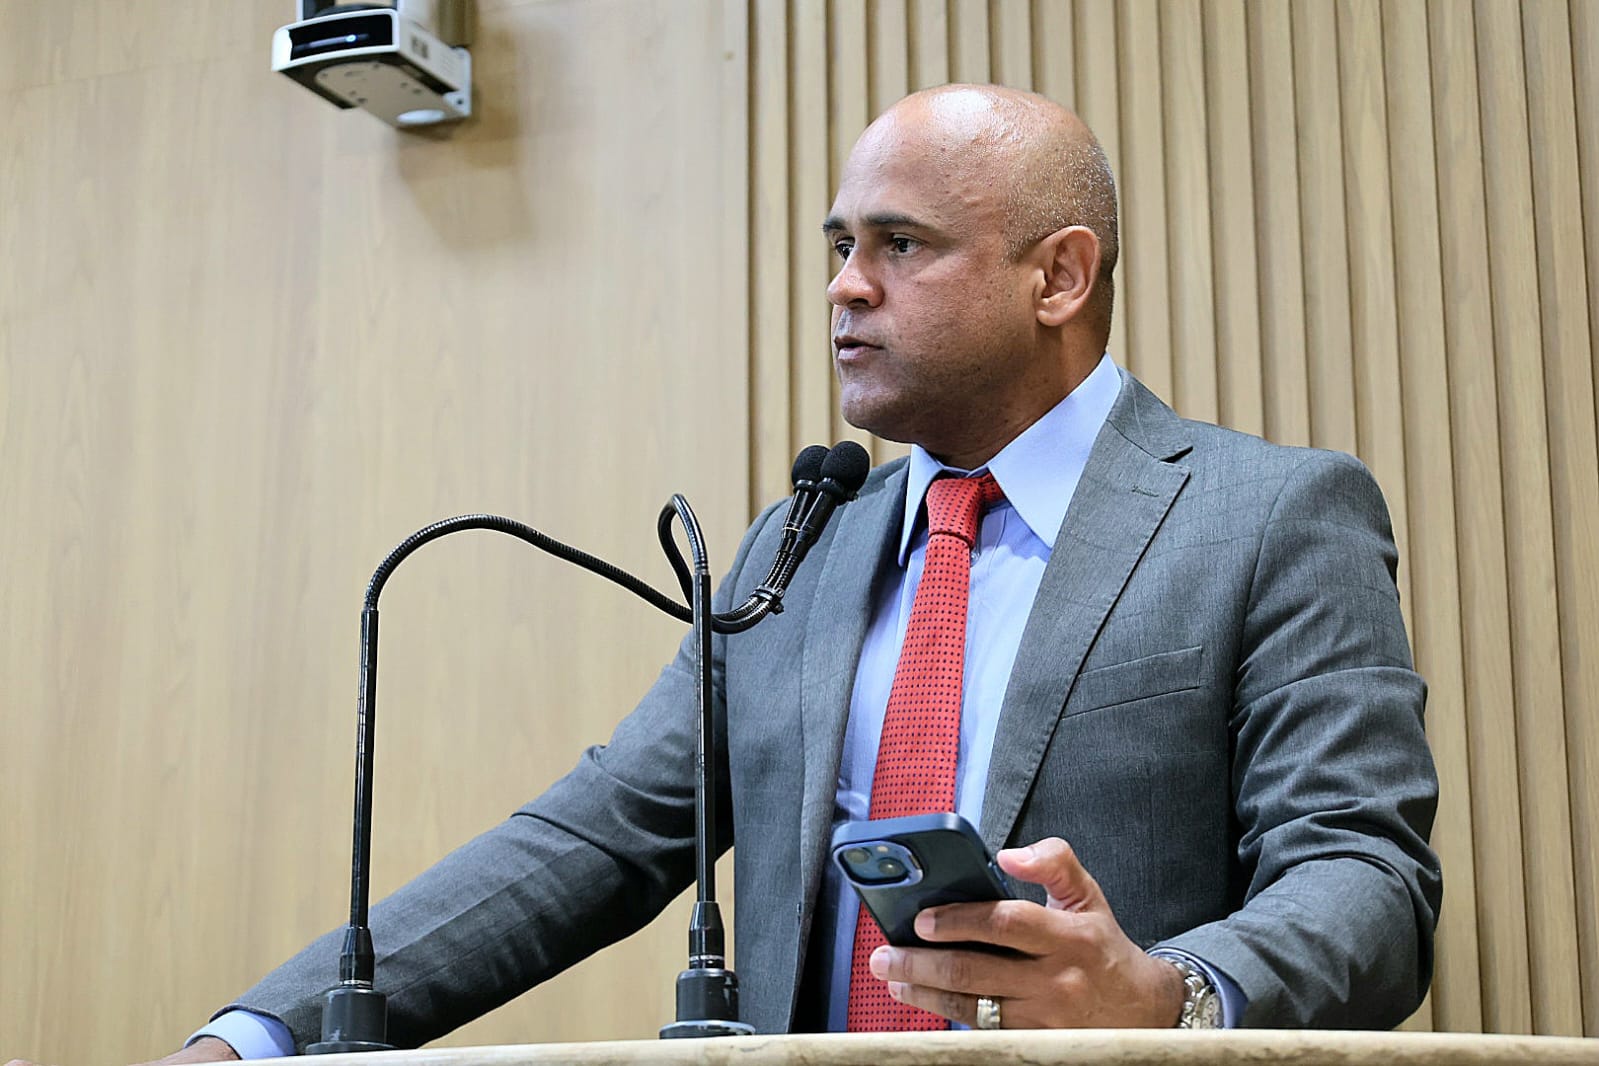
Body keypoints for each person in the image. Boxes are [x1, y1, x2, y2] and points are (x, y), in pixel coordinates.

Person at [12, 82, 1442, 1064]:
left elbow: (1363, 876)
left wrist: (1168, 996)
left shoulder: (1268, 515)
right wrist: (262, 1032)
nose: (844, 285)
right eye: (840, 245)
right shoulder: (799, 548)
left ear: (1058, 277)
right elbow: (595, 836)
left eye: (900, 246)